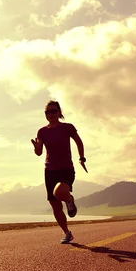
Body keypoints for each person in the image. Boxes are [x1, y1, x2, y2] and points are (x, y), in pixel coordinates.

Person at [31, 100, 86, 244]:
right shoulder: (42, 131)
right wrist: (36, 147)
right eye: (47, 112)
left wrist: (81, 158)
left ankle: (69, 200)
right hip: (49, 171)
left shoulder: (68, 127)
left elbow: (79, 142)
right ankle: (67, 233)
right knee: (55, 206)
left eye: (54, 111)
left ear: (59, 112)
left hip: (66, 169)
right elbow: (39, 153)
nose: (51, 114)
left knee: (59, 192)